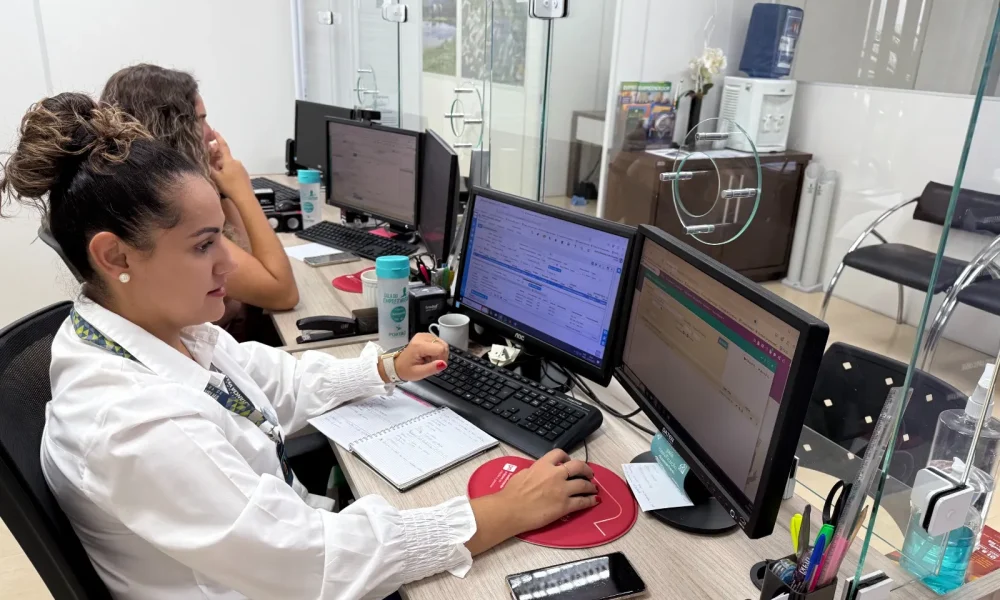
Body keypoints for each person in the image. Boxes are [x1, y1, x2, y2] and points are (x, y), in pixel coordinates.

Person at [0, 93, 600, 600]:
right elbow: (313, 563)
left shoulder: (150, 330)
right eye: (204, 245)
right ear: (115, 255)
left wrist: (385, 368)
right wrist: (498, 513)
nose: (226, 263)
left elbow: (276, 383)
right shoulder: (133, 426)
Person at [100, 63, 299, 329]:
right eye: (201, 120)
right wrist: (243, 192)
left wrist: (223, 190)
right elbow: (282, 293)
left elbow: (248, 254)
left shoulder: (129, 185)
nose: (211, 133)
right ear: (174, 129)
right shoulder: (163, 204)